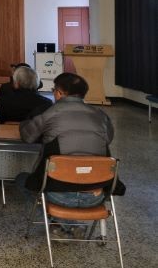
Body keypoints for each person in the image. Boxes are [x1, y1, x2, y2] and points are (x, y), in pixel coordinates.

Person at [18, 73, 115, 234]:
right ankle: (60, 223)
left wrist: (24, 123)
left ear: (59, 93)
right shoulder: (101, 115)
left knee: (22, 180)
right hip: (96, 195)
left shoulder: (51, 113)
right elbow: (108, 139)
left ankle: (66, 223)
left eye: (54, 90)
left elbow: (27, 137)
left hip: (59, 194)